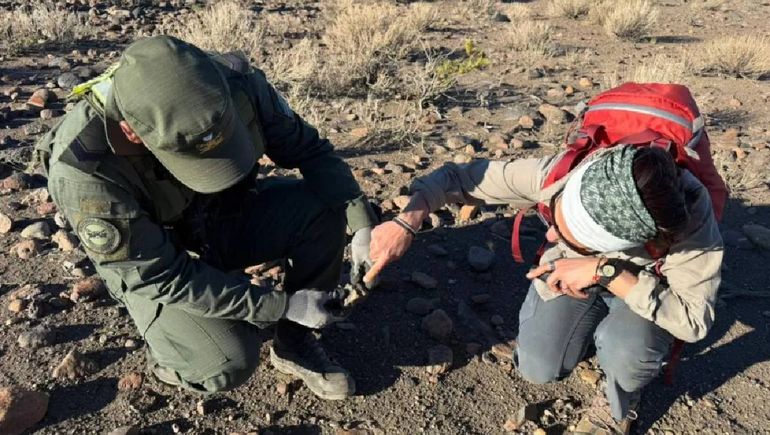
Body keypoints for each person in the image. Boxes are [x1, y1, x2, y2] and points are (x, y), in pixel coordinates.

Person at [35, 36, 379, 399]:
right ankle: (172, 355)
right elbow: (158, 274)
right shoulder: (83, 170)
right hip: (160, 256)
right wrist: (283, 305)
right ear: (131, 133)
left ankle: (293, 343)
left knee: (325, 207)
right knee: (224, 364)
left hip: (223, 217)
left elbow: (309, 150)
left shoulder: (232, 81)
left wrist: (362, 225)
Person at [367, 145, 723, 434]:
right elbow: (457, 177)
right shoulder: (562, 173)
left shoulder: (691, 219)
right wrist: (407, 221)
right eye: (555, 216)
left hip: (640, 292)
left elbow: (693, 321)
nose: (550, 236)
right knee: (539, 367)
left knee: (629, 350)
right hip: (573, 275)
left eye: (570, 238)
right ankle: (584, 337)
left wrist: (606, 270)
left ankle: (622, 399)